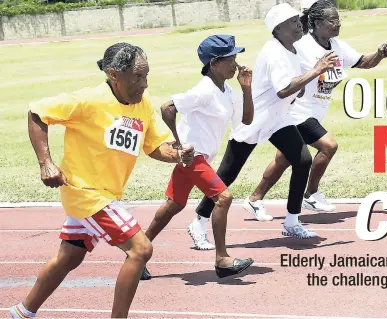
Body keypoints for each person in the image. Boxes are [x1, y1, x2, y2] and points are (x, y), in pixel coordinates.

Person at [9, 42, 194, 319]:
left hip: (107, 194)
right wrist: (46, 162)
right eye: (137, 77)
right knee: (140, 249)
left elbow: (155, 146)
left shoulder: (142, 104)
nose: (144, 84)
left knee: (69, 257)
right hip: (86, 193)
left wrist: (178, 154)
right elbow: (37, 112)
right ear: (114, 74)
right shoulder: (88, 100)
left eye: (146, 76)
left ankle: (21, 313)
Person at [188, 2, 338, 243]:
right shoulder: (275, 51)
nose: (299, 24)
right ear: (278, 28)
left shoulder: (293, 49)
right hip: (255, 119)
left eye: (298, 20)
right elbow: (283, 89)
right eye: (292, 22)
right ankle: (199, 221)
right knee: (228, 173)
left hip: (279, 118)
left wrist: (305, 84)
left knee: (302, 160)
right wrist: (316, 70)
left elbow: (293, 86)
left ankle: (291, 221)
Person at [241, 0, 387, 219]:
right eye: (332, 20)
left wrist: (379, 54)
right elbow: (285, 74)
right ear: (316, 23)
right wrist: (308, 77)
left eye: (338, 19)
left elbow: (363, 62)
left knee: (283, 160)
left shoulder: (337, 46)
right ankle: (310, 194)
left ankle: (254, 199)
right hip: (296, 113)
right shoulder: (301, 46)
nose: (337, 23)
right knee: (329, 146)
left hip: (313, 113)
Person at [138, 34, 255, 280]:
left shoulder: (226, 90)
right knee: (223, 198)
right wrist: (179, 145)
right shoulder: (205, 90)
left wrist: (246, 87)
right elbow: (167, 108)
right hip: (194, 157)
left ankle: (137, 253)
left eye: (235, 57)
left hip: (198, 158)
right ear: (214, 63)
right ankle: (222, 260)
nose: (236, 63)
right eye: (230, 59)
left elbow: (246, 120)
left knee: (174, 205)